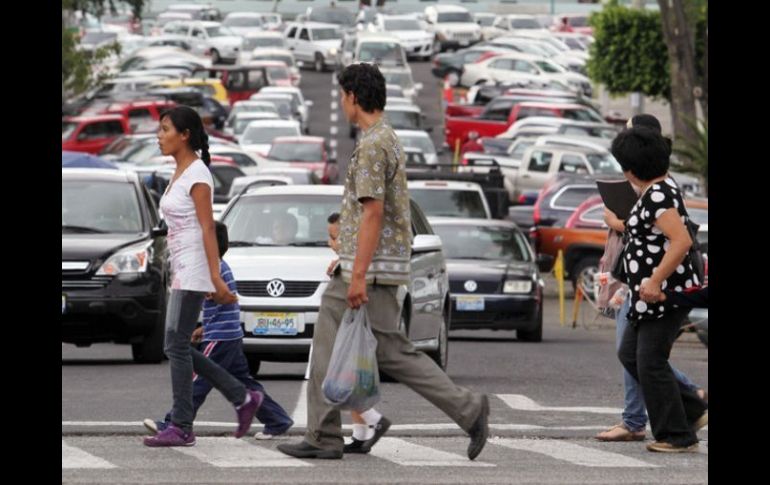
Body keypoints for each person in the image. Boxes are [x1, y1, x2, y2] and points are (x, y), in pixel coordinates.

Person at [277, 63, 489, 461]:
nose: (341, 104)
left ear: (354, 96)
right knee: (392, 351)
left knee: (326, 343)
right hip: (381, 267)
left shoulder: (375, 143)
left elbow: (372, 212)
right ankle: (468, 408)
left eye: (343, 96)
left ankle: (323, 435)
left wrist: (356, 274)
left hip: (368, 271)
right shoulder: (386, 137)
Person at [144, 106, 263, 447]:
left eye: (165, 129)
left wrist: (214, 276)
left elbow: (208, 226)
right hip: (183, 268)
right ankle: (241, 397)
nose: (159, 136)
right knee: (177, 344)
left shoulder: (197, 173)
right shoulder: (181, 171)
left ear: (184, 135)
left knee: (175, 346)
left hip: (195, 269)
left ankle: (182, 425)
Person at [595, 114, 707, 443]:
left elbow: (681, 240)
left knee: (650, 361)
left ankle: (676, 435)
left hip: (663, 294)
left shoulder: (658, 195)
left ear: (631, 169)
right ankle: (691, 408)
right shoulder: (654, 190)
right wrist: (621, 223)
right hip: (647, 293)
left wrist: (655, 280)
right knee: (632, 354)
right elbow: (646, 233)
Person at [143, 221, 294, 441]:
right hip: (229, 334)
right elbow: (224, 307)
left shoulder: (214, 270)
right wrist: (204, 327)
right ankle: (277, 419)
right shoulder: (221, 267)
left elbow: (221, 299)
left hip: (221, 338)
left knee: (197, 381)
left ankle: (173, 421)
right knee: (243, 383)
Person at [326, 212, 386, 454]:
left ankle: (374, 420)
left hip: (353, 329)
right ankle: (360, 434)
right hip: (356, 330)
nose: (331, 243)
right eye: (329, 238)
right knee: (355, 379)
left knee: (341, 381)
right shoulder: (345, 262)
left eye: (335, 237)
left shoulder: (354, 265)